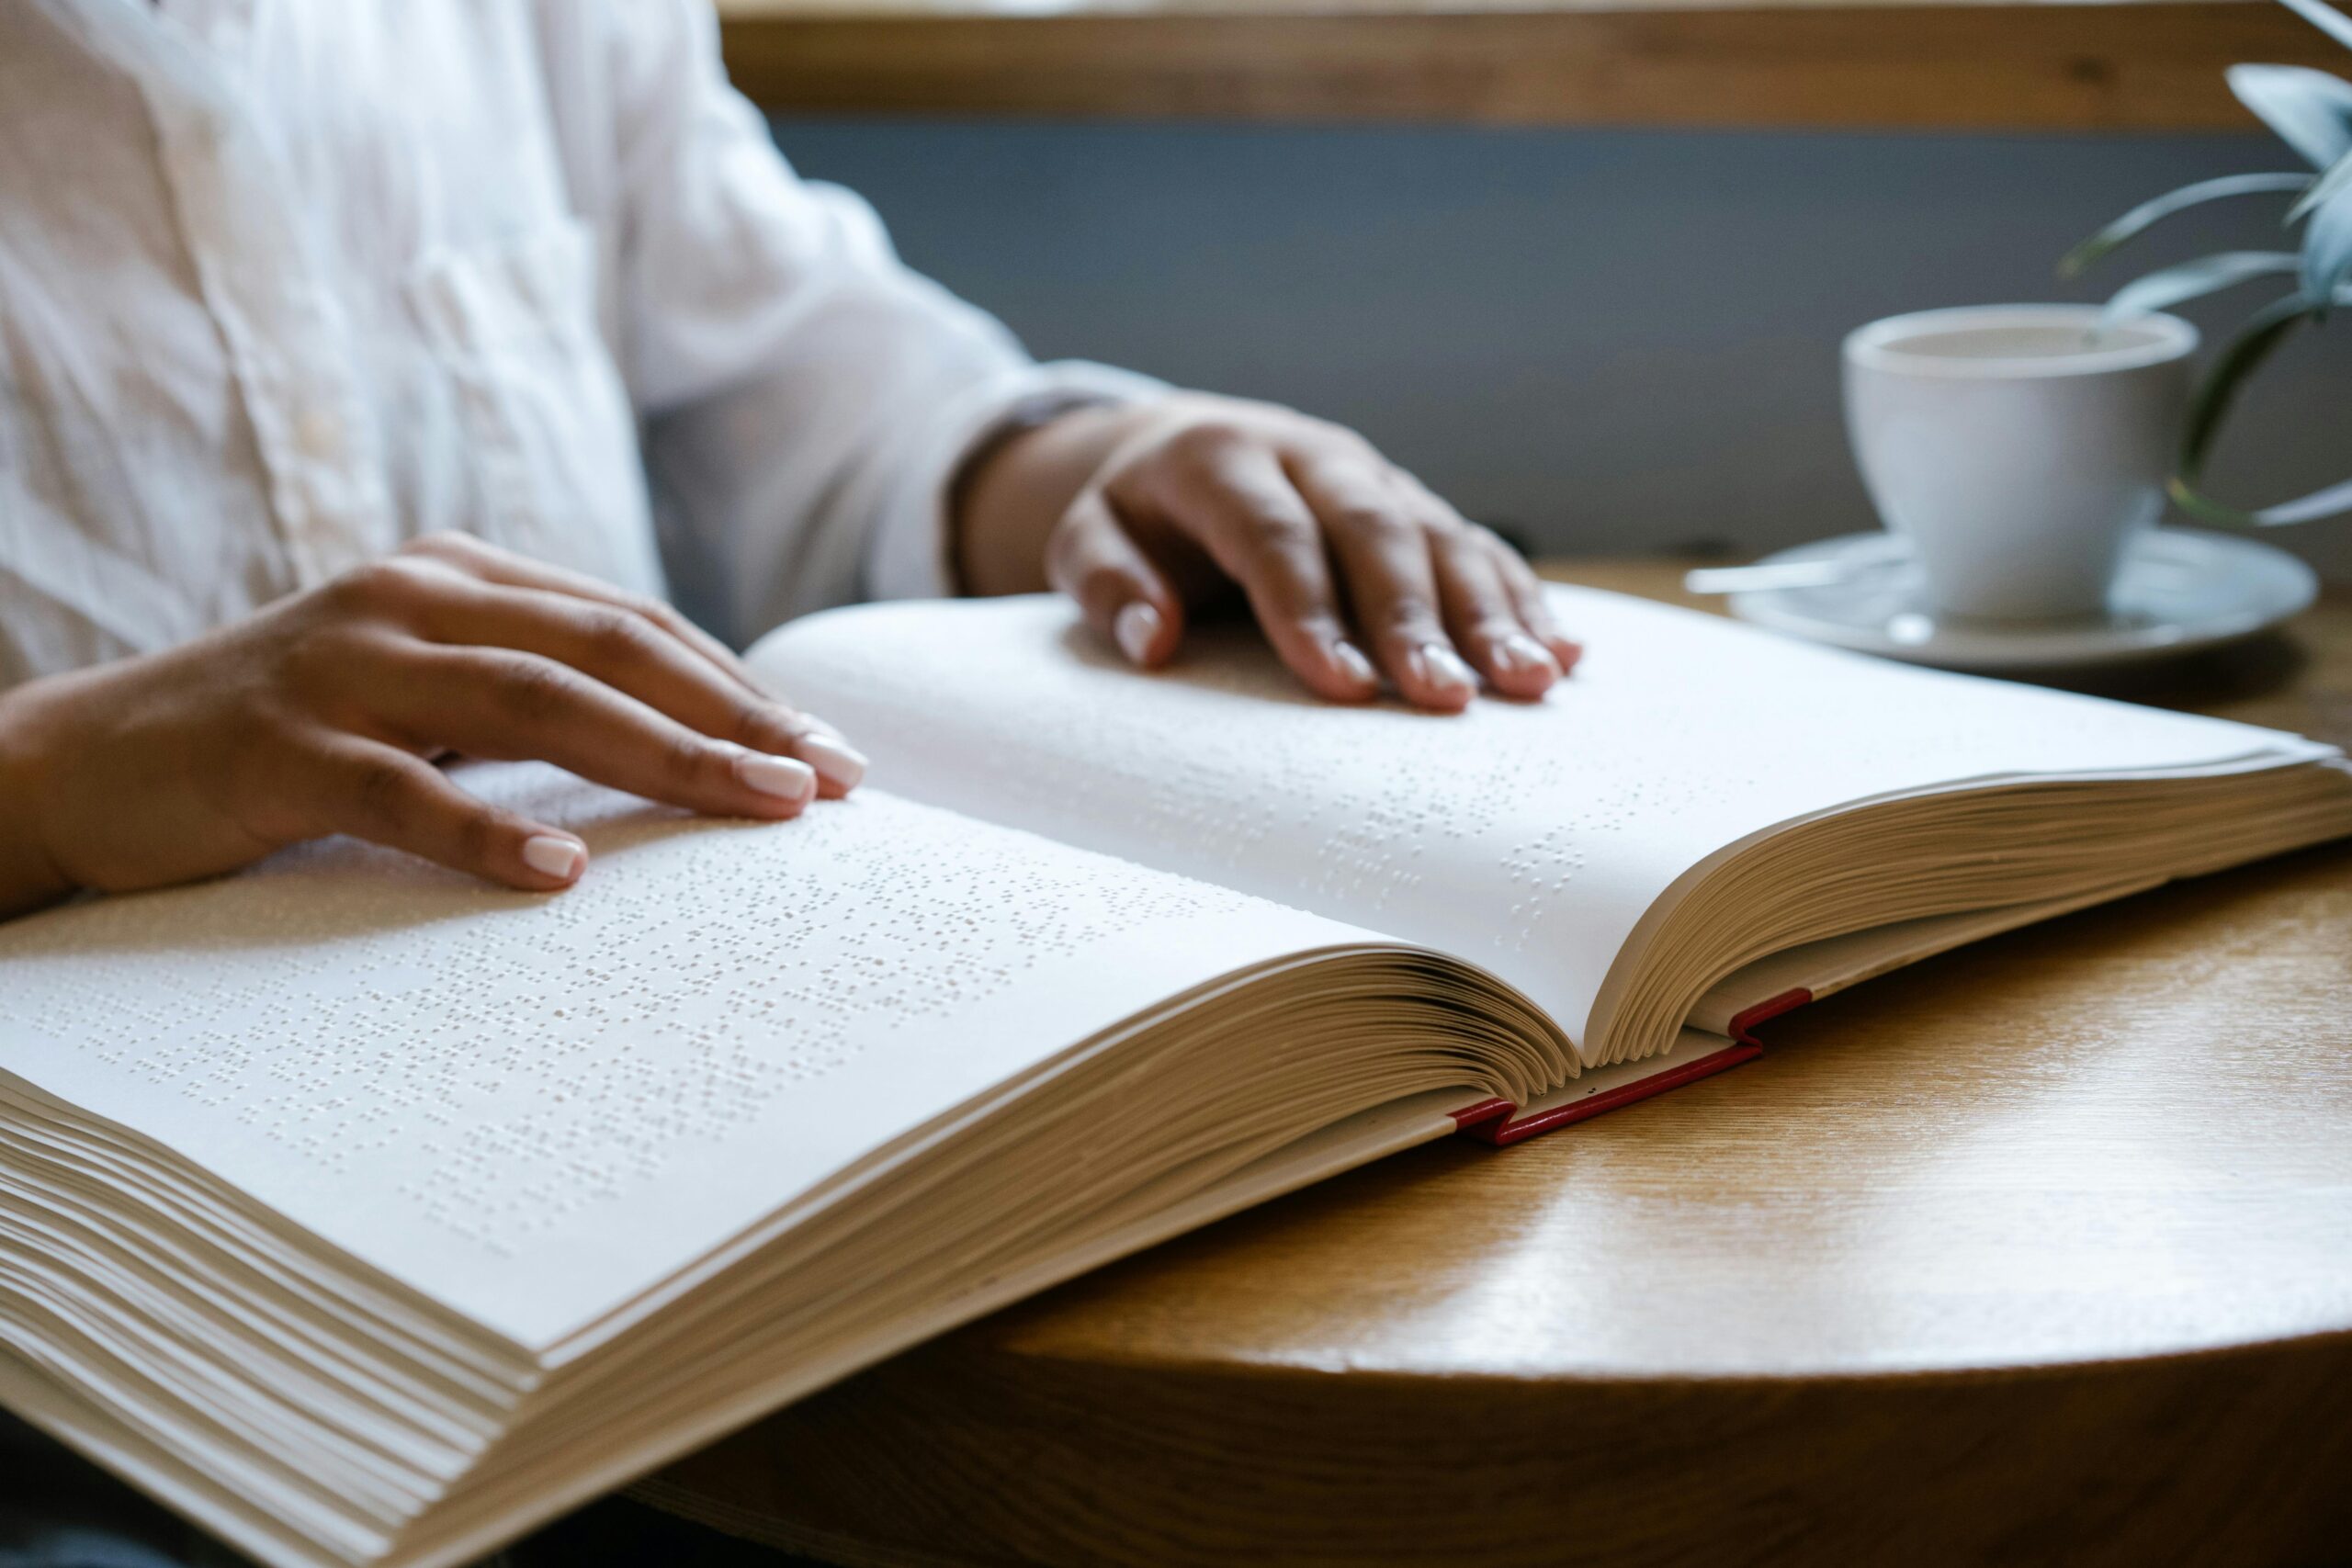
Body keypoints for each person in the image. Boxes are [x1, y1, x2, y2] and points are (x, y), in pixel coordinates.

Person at [0, 0, 1579, 1560]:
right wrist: (58, 769)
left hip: (638, 1211)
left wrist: (1116, 466)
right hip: (95, 1346)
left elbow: (823, 415)